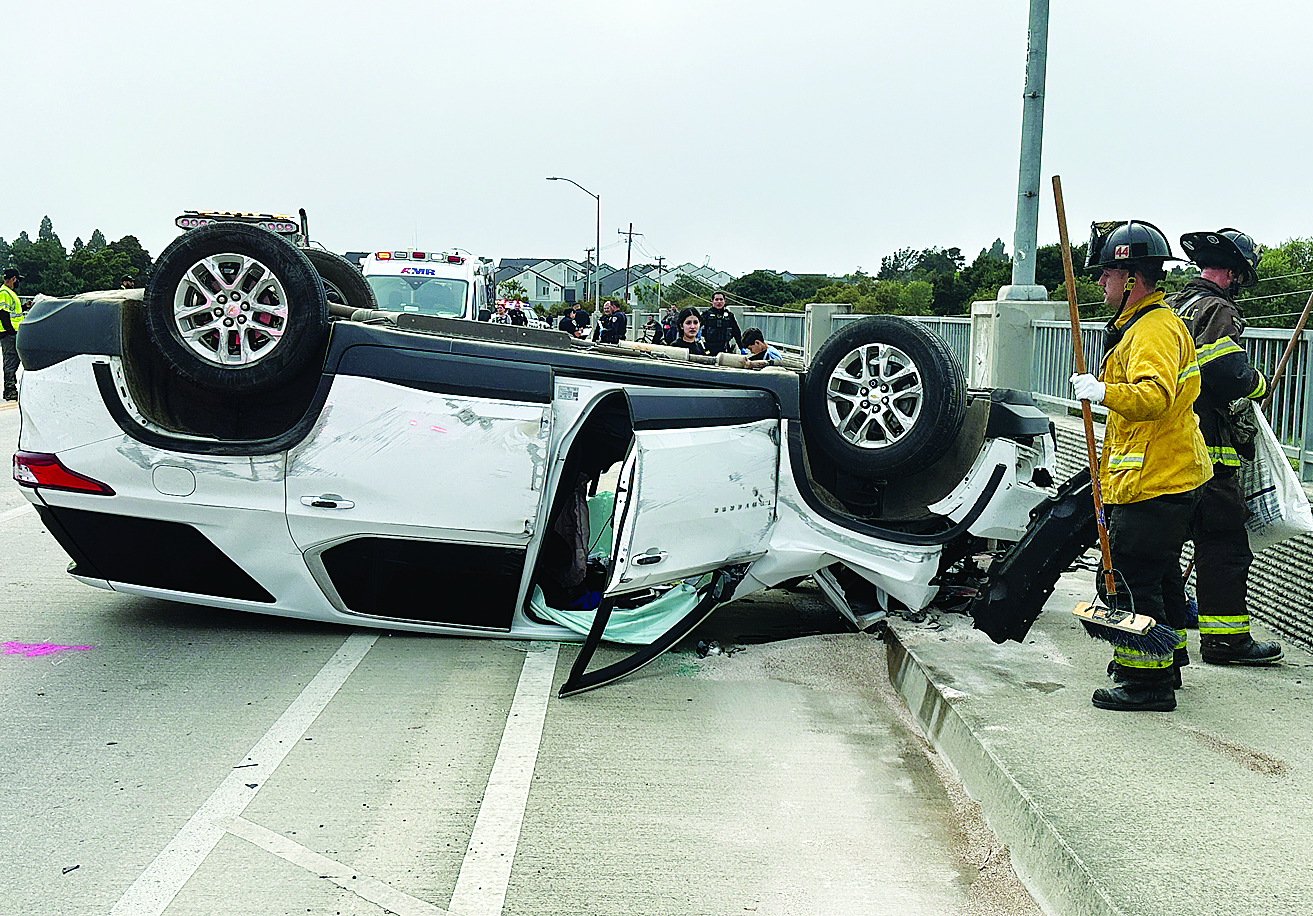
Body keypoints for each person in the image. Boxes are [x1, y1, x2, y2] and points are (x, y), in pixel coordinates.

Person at [1069, 220, 1212, 712]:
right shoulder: (1147, 326)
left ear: (1131, 278)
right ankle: (1166, 657)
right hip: (1163, 475)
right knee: (1161, 574)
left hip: (1158, 480)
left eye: (1107, 273)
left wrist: (1101, 391)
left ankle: (1145, 682)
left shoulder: (1151, 330)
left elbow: (1152, 398)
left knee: (1134, 579)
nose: (1100, 283)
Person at [1171, 228, 1282, 666]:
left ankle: (1159, 627)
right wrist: (1259, 382)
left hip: (1171, 442)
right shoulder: (1217, 309)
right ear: (1234, 273)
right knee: (1223, 544)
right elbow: (1227, 372)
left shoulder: (1175, 305)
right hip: (1208, 446)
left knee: (1162, 540)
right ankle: (1225, 642)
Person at [0, 268, 24, 400]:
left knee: (13, 362)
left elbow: (13, 313)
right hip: (9, 334)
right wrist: (11, 332)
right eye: (17, 280)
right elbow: (3, 314)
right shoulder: (4, 293)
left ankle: (11, 389)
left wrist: (25, 307)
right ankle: (9, 390)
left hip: (12, 332)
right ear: (13, 279)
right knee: (10, 362)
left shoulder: (10, 293)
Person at [699, 290, 743, 355]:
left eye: (721, 299)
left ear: (724, 301)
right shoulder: (706, 314)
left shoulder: (729, 316)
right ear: (712, 301)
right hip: (708, 348)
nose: (719, 302)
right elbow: (696, 327)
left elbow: (736, 332)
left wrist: (741, 347)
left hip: (724, 348)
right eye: (716, 299)